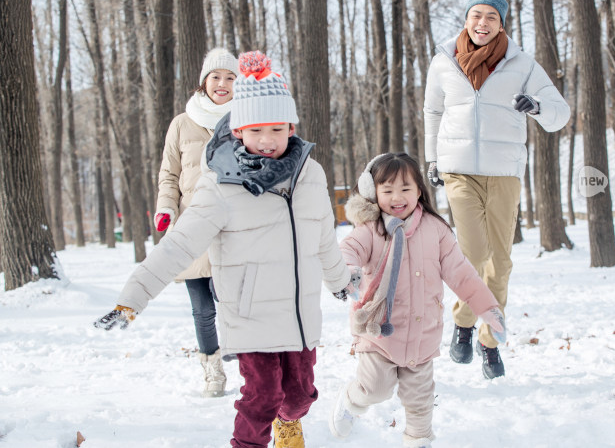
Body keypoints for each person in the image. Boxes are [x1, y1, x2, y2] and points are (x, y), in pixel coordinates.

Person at [94, 51, 351, 448]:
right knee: (262, 397)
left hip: (300, 318)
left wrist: (339, 282)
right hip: (249, 316)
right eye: (256, 130)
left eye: (277, 129)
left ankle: (289, 422)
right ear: (238, 131)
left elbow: (323, 239)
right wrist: (132, 298)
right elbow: (178, 245)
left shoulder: (311, 176)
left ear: (291, 127)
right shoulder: (219, 186)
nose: (267, 140)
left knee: (299, 398)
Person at [423, 0, 570, 379]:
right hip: (459, 170)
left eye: (491, 17)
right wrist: (432, 159)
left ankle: (489, 340)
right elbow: (432, 110)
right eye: (477, 15)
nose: (483, 23)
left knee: (500, 261)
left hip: (504, 170)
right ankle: (463, 323)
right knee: (472, 252)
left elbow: (560, 112)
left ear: (501, 22)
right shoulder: (443, 61)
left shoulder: (520, 64)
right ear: (467, 19)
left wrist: (535, 107)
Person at [329, 153, 506, 448]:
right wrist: (348, 272)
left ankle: (419, 441)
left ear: (419, 190)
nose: (397, 198)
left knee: (420, 401)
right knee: (375, 389)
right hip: (379, 334)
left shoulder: (436, 231)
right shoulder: (371, 230)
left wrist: (487, 308)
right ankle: (351, 400)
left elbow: (462, 274)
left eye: (405, 189)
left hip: (423, 335)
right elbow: (349, 249)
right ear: (374, 194)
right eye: (387, 190)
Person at [153, 47, 238, 398]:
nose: (222, 83)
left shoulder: (244, 120)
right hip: (192, 227)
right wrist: (166, 209)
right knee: (202, 310)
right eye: (216, 76)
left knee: (233, 303)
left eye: (231, 78)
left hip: (233, 229)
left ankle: (250, 365)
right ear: (203, 81)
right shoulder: (181, 123)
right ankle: (213, 370)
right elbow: (169, 175)